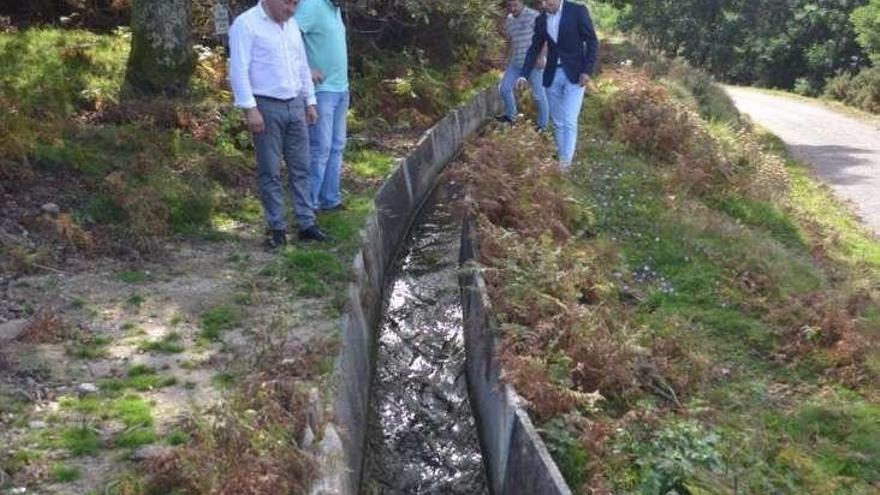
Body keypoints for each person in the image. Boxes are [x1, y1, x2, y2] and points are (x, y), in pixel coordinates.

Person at [228, 0, 330, 247]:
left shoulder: (291, 25)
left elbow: (301, 65)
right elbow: (238, 70)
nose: (291, 9)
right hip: (266, 105)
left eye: (296, 4)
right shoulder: (246, 24)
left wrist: (310, 101)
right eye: (287, 3)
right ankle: (277, 228)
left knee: (301, 167)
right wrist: (250, 108)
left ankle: (307, 223)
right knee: (270, 170)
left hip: (295, 103)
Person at [519, 0, 598, 168]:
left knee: (569, 120)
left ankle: (564, 166)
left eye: (547, 1)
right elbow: (534, 48)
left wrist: (587, 70)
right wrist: (523, 75)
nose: (544, 4)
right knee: (558, 122)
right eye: (542, 1)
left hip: (576, 74)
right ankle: (563, 157)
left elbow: (592, 41)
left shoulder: (577, 11)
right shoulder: (541, 19)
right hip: (552, 74)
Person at [296, 0, 349, 212]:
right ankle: (309, 204)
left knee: (337, 147)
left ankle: (330, 199)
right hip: (321, 91)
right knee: (320, 149)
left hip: (341, 88)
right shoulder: (311, 5)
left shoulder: (335, 9)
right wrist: (306, 69)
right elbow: (289, 37)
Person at [499, 0, 548, 130]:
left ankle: (543, 126)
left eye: (515, 5)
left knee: (538, 95)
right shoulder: (509, 20)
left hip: (533, 63)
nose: (512, 8)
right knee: (504, 88)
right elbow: (510, 41)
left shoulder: (535, 16)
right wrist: (506, 58)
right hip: (516, 62)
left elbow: (544, 38)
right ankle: (511, 116)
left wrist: (541, 56)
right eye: (510, 6)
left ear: (522, 2)